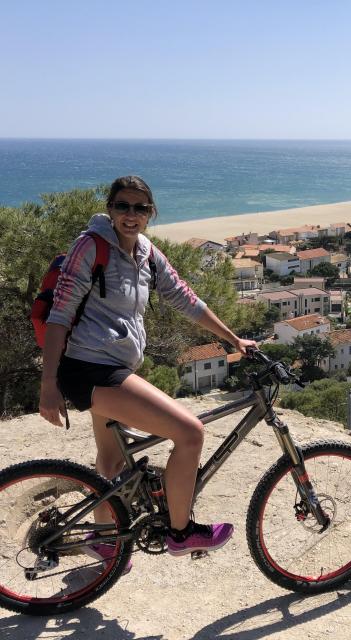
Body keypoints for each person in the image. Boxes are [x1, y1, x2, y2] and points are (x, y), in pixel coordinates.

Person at [39, 175, 255, 567]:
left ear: (150, 213)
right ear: (110, 209)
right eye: (123, 206)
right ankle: (181, 532)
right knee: (190, 433)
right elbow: (59, 315)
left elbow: (185, 299)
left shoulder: (147, 253)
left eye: (140, 208)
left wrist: (233, 339)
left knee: (111, 460)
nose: (131, 215)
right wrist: (48, 384)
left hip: (112, 366)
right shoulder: (90, 247)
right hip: (90, 370)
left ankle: (105, 543)